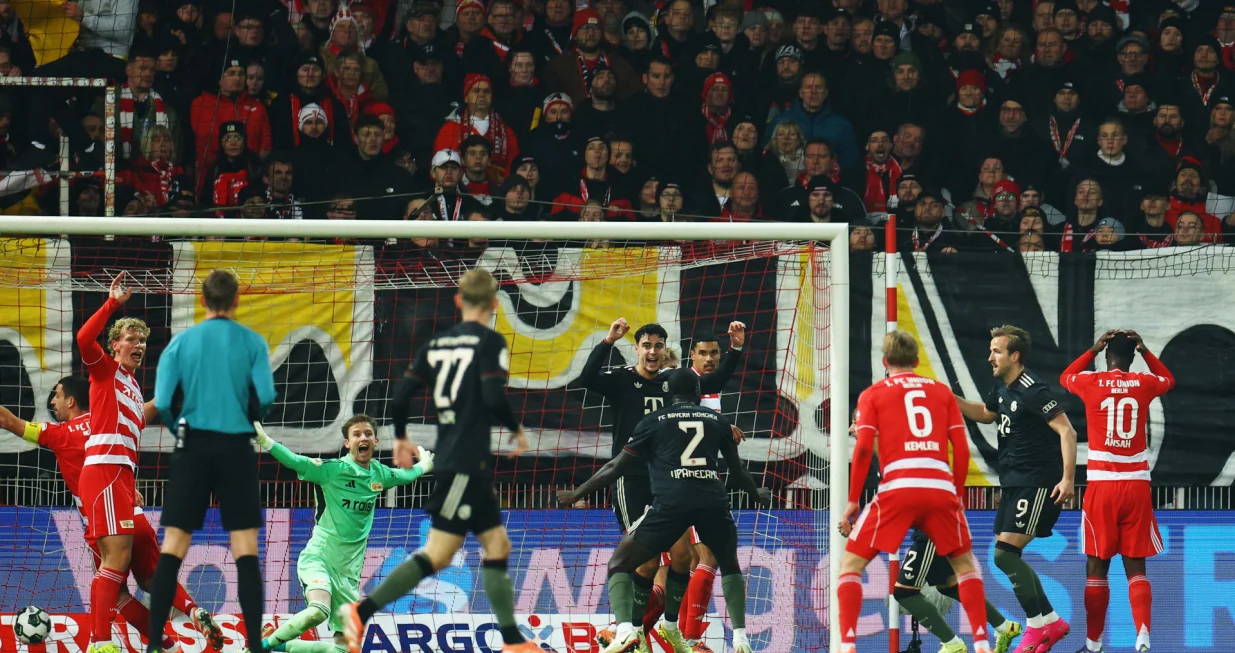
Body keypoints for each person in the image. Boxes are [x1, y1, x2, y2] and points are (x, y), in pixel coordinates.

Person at [340, 268, 538, 653]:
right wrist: (515, 429)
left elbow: (400, 395)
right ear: (495, 304)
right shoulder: (490, 341)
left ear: (458, 301)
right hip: (463, 462)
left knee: (498, 546)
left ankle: (513, 641)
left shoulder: (436, 343)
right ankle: (361, 613)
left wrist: (399, 437)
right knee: (438, 554)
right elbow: (494, 397)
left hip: (466, 463)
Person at [0, 377, 222, 653]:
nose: (53, 402)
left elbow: (8, 421)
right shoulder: (113, 421)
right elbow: (148, 409)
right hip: (134, 513)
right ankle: (190, 613)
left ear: (71, 401)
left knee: (114, 588)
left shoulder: (60, 434)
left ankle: (103, 643)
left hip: (102, 519)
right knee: (152, 578)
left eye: (56, 396)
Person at [556, 369, 771, 653]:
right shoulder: (717, 421)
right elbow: (737, 470)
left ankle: (625, 631)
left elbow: (616, 466)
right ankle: (741, 639)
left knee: (620, 563)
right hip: (712, 501)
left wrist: (577, 493)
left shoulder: (653, 421)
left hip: (672, 504)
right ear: (697, 393)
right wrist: (756, 493)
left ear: (666, 394)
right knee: (728, 563)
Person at [838, 331, 994, 653]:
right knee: (964, 567)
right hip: (939, 487)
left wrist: (853, 500)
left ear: (884, 361)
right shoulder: (941, 392)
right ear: (918, 361)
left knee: (851, 566)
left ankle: (847, 645)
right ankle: (981, 642)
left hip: (898, 487)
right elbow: (961, 449)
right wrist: (958, 495)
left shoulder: (872, 394)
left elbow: (865, 449)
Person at [147, 270, 277, 653]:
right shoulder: (252, 342)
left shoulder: (181, 343)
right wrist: (248, 417)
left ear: (202, 301)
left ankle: (154, 645)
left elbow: (165, 400)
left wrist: (181, 429)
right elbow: (266, 397)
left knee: (173, 544)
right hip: (236, 446)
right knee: (245, 547)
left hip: (193, 447)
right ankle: (254, 646)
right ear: (237, 300)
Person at [257, 415, 436, 653]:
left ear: (375, 441)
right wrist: (265, 440)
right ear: (347, 443)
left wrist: (424, 465)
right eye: (356, 434)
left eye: (368, 434)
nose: (363, 437)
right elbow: (295, 461)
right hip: (320, 558)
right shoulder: (332, 471)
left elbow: (405, 476)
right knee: (318, 612)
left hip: (349, 575)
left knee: (345, 651)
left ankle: (276, 644)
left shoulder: (379, 474)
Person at [954, 325, 1079, 653]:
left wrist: (1067, 480)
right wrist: (946, 398)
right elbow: (985, 414)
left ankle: (1039, 626)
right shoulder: (1001, 386)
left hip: (1037, 483)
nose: (989, 357)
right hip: (1012, 483)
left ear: (1015, 356)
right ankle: (1050, 621)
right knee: (1007, 556)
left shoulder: (1033, 389)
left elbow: (1068, 432)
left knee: (1004, 555)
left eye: (996, 351)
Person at [1060, 331, 1174, 653]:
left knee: (1097, 567)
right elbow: (1168, 379)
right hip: (1136, 485)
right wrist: (1147, 350)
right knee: (1136, 568)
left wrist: (1091, 349)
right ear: (1133, 356)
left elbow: (1065, 375)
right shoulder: (1143, 383)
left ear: (1106, 355)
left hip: (1102, 486)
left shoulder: (1090, 383)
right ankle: (1142, 637)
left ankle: (1094, 645)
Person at [76, 273, 152, 653]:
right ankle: (100, 643)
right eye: (130, 339)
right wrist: (111, 304)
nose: (138, 345)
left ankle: (157, 641)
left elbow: (132, 432)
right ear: (115, 345)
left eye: (142, 341)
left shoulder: (135, 389)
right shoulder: (105, 370)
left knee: (117, 566)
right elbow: (82, 340)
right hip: (104, 470)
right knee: (116, 557)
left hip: (120, 474)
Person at [893, 528, 1024, 653]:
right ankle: (1004, 627)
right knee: (949, 587)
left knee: (905, 592)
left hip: (932, 533)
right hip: (945, 530)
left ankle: (953, 645)